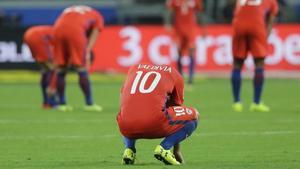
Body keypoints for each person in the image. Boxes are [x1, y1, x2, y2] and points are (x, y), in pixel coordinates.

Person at [117, 64, 199, 165]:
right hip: (153, 123)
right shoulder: (175, 74)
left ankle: (129, 150)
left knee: (129, 111)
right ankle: (164, 148)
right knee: (194, 116)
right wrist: (176, 150)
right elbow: (176, 109)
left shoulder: (134, 68)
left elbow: (124, 96)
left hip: (124, 125)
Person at [52, 5, 104, 112]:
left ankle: (62, 104)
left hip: (57, 29)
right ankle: (89, 104)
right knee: (81, 68)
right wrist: (88, 51)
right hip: (76, 31)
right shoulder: (97, 16)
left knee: (61, 68)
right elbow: (95, 32)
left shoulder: (69, 9)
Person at [231, 0, 278, 112]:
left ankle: (237, 103)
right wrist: (265, 38)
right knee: (259, 63)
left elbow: (235, 13)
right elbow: (271, 20)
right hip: (257, 26)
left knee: (237, 63)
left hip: (239, 26)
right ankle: (256, 103)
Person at [165, 0, 205, 85]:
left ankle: (191, 79)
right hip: (178, 30)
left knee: (191, 51)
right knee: (179, 53)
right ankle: (180, 76)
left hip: (190, 30)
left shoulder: (195, 1)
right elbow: (170, 12)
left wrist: (203, 28)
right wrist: (168, 23)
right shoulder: (174, 1)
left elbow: (199, 13)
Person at [23, 26, 57, 109]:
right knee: (54, 68)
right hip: (38, 37)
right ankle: (51, 101)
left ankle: (46, 102)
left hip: (28, 33)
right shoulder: (68, 39)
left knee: (45, 69)